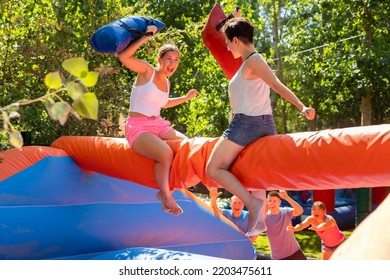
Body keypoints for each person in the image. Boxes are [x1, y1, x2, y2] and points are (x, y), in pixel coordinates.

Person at [205, 16, 316, 236]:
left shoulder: (254, 60)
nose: (226, 48)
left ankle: (252, 203)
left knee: (213, 169)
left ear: (236, 40)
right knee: (255, 175)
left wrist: (301, 107)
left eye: (227, 43)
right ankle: (258, 223)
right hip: (262, 123)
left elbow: (276, 85)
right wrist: (233, 17)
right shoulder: (248, 62)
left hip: (247, 124)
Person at [118, 25, 198, 216]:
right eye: (169, 59)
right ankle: (165, 195)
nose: (172, 63)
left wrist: (185, 99)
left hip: (157, 124)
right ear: (159, 60)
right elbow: (123, 57)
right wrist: (146, 36)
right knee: (165, 153)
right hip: (138, 127)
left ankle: (173, 186)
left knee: (186, 144)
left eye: (176, 60)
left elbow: (164, 103)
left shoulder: (167, 82)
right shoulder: (147, 71)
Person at [265, 190, 307, 260]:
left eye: (274, 201)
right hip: (278, 257)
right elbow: (257, 223)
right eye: (269, 201)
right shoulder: (265, 217)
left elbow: (300, 211)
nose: (272, 203)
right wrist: (265, 207)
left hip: (295, 252)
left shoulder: (285, 212)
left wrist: (287, 198)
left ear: (279, 202)